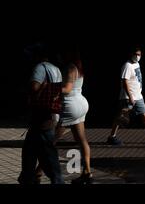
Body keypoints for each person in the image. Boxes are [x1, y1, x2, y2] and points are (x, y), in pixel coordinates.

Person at [18, 44, 71, 184]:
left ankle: (56, 180)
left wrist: (31, 90)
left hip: (42, 115)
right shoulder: (56, 69)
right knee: (31, 148)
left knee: (47, 152)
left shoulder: (40, 68)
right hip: (51, 113)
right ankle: (27, 177)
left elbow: (34, 86)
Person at [106, 46, 145, 145]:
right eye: (136, 54)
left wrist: (138, 93)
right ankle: (112, 137)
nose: (138, 56)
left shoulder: (137, 64)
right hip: (128, 97)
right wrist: (130, 96)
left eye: (139, 54)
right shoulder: (127, 66)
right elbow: (125, 82)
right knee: (121, 116)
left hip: (138, 96)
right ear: (131, 54)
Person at [56, 47, 92, 184]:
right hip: (81, 103)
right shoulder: (78, 66)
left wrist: (48, 87)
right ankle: (87, 172)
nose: (59, 55)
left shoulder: (70, 68)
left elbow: (67, 89)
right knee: (82, 140)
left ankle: (38, 173)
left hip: (70, 105)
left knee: (50, 142)